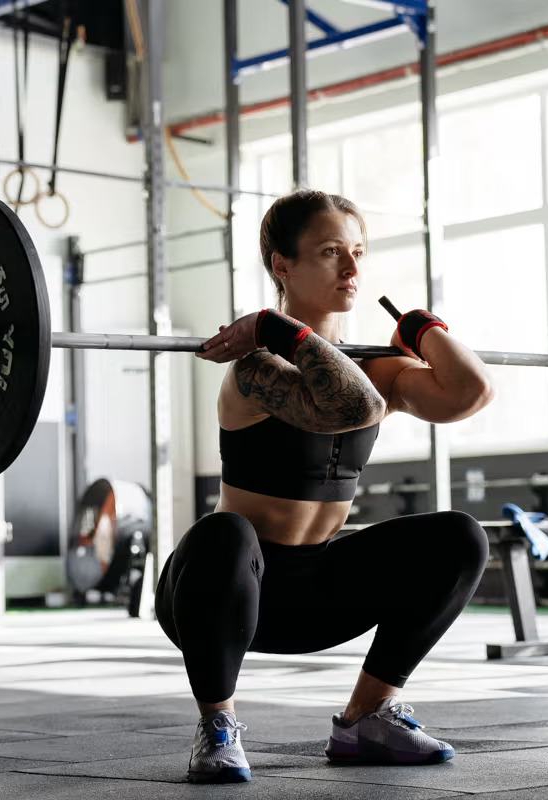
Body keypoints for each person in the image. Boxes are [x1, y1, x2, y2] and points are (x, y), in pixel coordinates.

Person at [157, 189, 494, 784]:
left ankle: (367, 717)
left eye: (358, 252)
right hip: (226, 594)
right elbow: (349, 404)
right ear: (281, 265)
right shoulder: (253, 363)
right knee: (225, 534)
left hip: (316, 594)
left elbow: (470, 392)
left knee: (461, 538)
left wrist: (422, 329)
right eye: (332, 251)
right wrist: (272, 328)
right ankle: (217, 726)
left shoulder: (376, 367)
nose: (353, 269)